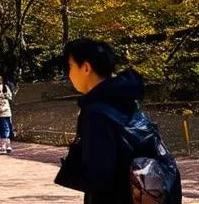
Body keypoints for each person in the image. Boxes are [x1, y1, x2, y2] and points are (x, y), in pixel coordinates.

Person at [54, 39, 181, 204]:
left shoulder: (95, 113)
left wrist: (72, 164)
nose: (69, 74)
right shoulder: (125, 100)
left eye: (70, 67)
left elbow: (98, 177)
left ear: (86, 68)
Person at [0, 77, 16, 154]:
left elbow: (10, 97)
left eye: (0, 77)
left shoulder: (6, 86)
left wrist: (4, 95)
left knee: (4, 127)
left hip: (5, 111)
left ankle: (5, 144)